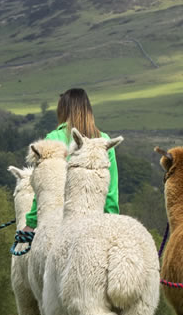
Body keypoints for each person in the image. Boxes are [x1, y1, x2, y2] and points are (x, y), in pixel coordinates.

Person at [21, 87, 117, 230]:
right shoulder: (104, 141)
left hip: (60, 220)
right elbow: (111, 189)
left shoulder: (53, 139)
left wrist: (31, 222)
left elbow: (43, 188)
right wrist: (112, 220)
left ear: (63, 111)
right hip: (96, 220)